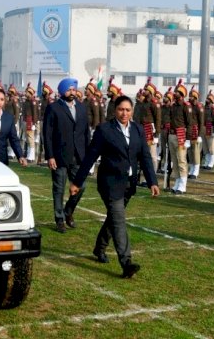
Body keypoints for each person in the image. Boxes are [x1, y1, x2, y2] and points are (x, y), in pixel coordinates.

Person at [69, 95, 159, 279]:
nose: (124, 113)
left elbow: (145, 157)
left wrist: (152, 182)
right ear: (114, 110)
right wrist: (77, 182)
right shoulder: (104, 130)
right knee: (119, 220)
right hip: (109, 184)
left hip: (129, 184)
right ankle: (126, 263)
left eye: (127, 110)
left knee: (113, 219)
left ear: (132, 111)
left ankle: (99, 248)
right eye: (120, 109)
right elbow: (90, 157)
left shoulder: (138, 130)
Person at [43, 78, 90, 233]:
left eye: (73, 89)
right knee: (59, 189)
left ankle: (68, 211)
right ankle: (59, 219)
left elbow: (85, 133)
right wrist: (50, 156)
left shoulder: (82, 108)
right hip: (59, 156)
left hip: (78, 155)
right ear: (62, 91)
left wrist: (88, 154)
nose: (72, 92)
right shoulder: (53, 108)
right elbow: (47, 134)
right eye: (68, 89)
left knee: (81, 186)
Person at [168, 81, 191, 194]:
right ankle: (177, 181)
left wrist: (188, 139)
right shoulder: (173, 106)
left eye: (177, 92)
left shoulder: (186, 106)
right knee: (174, 160)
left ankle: (183, 184)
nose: (174, 93)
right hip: (172, 134)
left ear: (181, 94)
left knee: (181, 160)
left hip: (181, 135)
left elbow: (189, 123)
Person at [187, 85, 204, 179]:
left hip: (196, 130)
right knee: (189, 151)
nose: (190, 97)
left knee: (196, 151)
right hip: (189, 130)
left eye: (191, 96)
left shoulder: (199, 106)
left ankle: (196, 170)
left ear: (195, 97)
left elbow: (201, 121)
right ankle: (192, 168)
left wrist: (200, 135)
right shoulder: (188, 105)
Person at [202, 90, 214, 170]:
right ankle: (206, 162)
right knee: (205, 147)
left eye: (208, 99)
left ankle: (211, 163)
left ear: (211, 101)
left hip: (211, 128)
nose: (206, 100)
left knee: (211, 147)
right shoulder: (204, 107)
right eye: (207, 98)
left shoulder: (213, 109)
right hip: (204, 127)